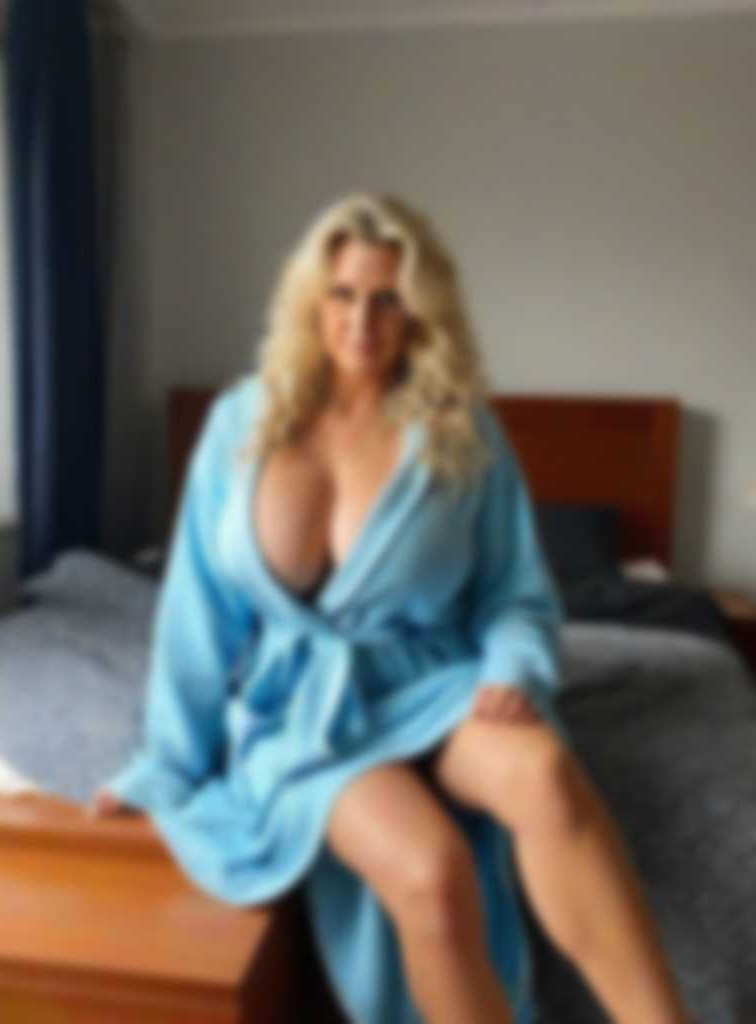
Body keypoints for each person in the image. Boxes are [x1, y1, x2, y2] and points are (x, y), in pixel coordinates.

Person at [91, 192, 694, 1024]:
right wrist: (166, 765)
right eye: (343, 294)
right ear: (312, 298)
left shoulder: (462, 431)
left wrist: (514, 668)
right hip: (304, 714)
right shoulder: (241, 425)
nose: (362, 322)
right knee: (431, 869)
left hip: (434, 681)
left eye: (387, 299)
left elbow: (516, 594)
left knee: (547, 776)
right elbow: (195, 614)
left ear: (421, 310)